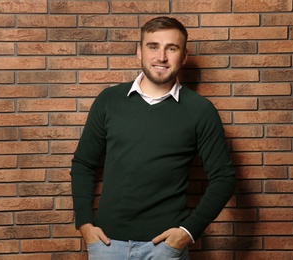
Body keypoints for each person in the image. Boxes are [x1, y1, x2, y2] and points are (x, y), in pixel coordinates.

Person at [70, 16, 236, 260]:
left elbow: (223, 179)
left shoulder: (200, 110)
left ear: (184, 56)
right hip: (107, 246)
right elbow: (83, 164)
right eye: (153, 46)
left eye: (172, 48)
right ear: (139, 52)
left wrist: (188, 232)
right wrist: (84, 225)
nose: (161, 57)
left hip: (165, 249)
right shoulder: (109, 101)